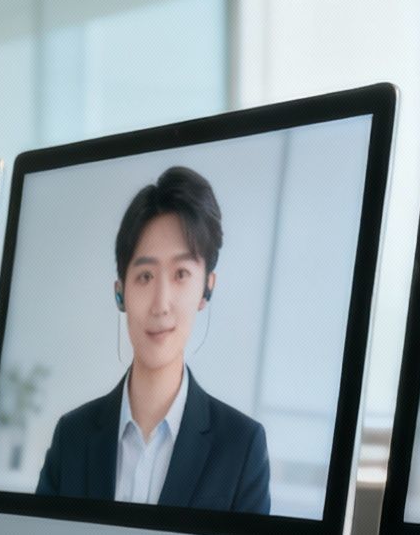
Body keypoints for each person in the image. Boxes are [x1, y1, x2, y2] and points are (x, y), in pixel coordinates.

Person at [35, 167, 271, 514]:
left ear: (207, 288)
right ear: (120, 294)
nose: (161, 304)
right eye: (145, 276)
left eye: (181, 275)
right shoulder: (72, 437)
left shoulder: (241, 447)